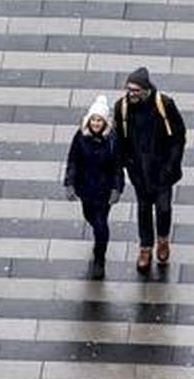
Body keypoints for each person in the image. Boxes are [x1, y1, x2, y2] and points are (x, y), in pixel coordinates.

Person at [110, 67, 186, 272]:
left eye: (135, 90)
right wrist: (127, 165)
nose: (130, 93)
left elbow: (178, 137)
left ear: (145, 89)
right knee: (143, 209)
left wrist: (170, 166)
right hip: (139, 171)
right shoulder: (122, 107)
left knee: (163, 208)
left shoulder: (164, 104)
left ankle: (162, 239)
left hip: (162, 170)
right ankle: (145, 247)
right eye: (129, 89)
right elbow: (119, 141)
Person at [61, 102, 125, 270]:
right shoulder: (81, 137)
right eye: (93, 120)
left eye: (99, 120)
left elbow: (118, 166)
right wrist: (69, 183)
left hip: (104, 190)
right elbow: (73, 160)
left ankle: (99, 256)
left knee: (100, 224)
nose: (96, 123)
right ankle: (99, 241)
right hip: (86, 188)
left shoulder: (112, 139)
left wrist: (117, 188)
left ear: (105, 122)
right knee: (89, 215)